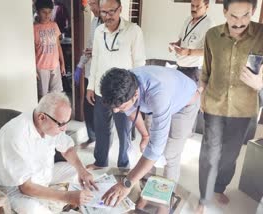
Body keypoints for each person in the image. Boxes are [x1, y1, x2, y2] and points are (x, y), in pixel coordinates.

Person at [98, 66, 200, 212]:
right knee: (146, 147)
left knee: (170, 154)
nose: (115, 111)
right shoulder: (125, 84)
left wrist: (127, 183)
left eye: (120, 107)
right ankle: (148, 192)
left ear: (135, 96)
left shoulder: (158, 94)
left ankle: (164, 201)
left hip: (184, 104)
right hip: (155, 103)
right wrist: (145, 135)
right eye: (114, 107)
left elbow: (156, 148)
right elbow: (130, 110)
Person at [197, 0, 263, 213]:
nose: (239, 22)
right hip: (214, 105)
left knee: (230, 155)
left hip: (243, 110)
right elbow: (206, 69)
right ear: (224, 12)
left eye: (245, 15)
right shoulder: (212, 36)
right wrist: (202, 94)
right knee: (210, 154)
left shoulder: (262, 35)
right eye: (233, 16)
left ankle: (218, 187)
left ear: (252, 11)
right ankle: (204, 195)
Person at [0, 92, 97, 214]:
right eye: (61, 124)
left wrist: (82, 171)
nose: (64, 128)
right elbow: (26, 187)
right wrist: (67, 196)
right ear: (42, 117)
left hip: (41, 176)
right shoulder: (16, 135)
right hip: (12, 188)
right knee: (33, 209)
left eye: (66, 122)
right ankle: (61, 201)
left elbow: (67, 149)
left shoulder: (50, 124)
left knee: (77, 172)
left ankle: (60, 199)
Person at [86, 0, 146, 170]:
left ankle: (124, 165)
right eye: (104, 12)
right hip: (101, 91)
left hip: (124, 94)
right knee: (102, 129)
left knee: (124, 131)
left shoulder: (133, 31)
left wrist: (136, 93)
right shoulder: (98, 31)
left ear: (120, 9)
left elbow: (140, 63)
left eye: (112, 11)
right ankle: (100, 161)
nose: (107, 16)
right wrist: (91, 85)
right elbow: (96, 59)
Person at [74, 0, 102, 149]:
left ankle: (103, 144)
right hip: (90, 73)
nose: (91, 9)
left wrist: (96, 52)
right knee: (88, 108)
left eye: (93, 4)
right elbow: (89, 46)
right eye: (89, 5)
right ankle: (92, 137)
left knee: (102, 112)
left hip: (103, 75)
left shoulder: (110, 23)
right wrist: (80, 65)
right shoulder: (94, 21)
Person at [169, 0, 215, 85]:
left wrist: (189, 52)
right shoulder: (188, 20)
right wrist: (175, 45)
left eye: (198, 6)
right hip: (180, 67)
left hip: (193, 71)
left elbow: (210, 51)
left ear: (207, 7)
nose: (194, 8)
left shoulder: (209, 24)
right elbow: (182, 40)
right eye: (192, 5)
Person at [34, 0, 66, 99]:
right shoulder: (34, 28)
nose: (47, 15)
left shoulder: (54, 25)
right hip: (41, 67)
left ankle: (54, 114)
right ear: (38, 12)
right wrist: (33, 69)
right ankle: (43, 114)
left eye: (49, 12)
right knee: (43, 97)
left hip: (55, 66)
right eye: (44, 12)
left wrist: (62, 63)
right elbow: (33, 51)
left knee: (56, 95)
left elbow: (58, 46)